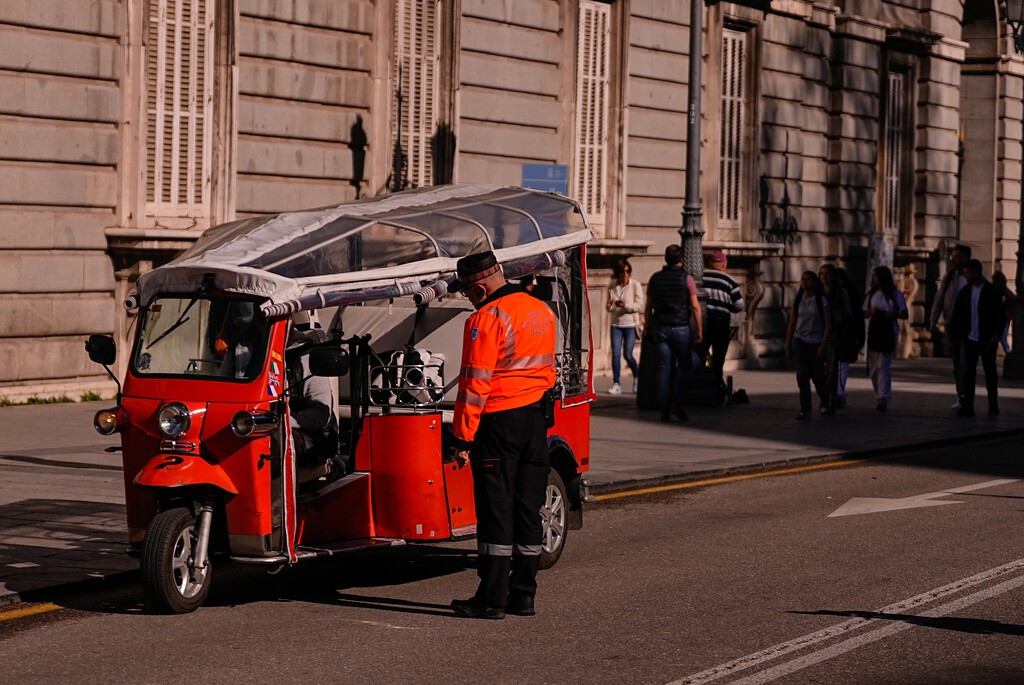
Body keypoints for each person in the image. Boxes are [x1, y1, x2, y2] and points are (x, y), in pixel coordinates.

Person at [449, 251, 556, 620]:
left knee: (496, 510)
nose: (467, 298)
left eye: (466, 291)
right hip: (536, 420)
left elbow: (474, 384)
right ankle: (523, 595)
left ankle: (491, 598)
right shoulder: (540, 310)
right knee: (527, 509)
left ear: (480, 288)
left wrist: (462, 438)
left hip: (498, 423)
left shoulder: (486, 318)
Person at [643, 244, 703, 422]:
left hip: (660, 327)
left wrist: (647, 326)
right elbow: (695, 306)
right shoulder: (687, 279)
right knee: (686, 365)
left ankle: (664, 408)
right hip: (680, 328)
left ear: (666, 259)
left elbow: (648, 307)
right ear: (681, 260)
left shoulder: (655, 278)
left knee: (663, 368)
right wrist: (699, 329)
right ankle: (678, 400)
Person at [286, 325, 340, 484]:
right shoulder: (244, 353)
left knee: (281, 442)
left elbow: (320, 414)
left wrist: (283, 423)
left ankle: (323, 467)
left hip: (315, 435)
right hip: (258, 426)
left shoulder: (307, 357)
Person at [949, 259, 1002, 417]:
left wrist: (997, 334)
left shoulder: (991, 291)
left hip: (987, 339)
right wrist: (955, 336)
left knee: (990, 373)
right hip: (969, 338)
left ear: (976, 272)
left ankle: (993, 404)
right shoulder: (965, 292)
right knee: (967, 373)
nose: (965, 275)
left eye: (967, 273)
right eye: (964, 273)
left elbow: (999, 315)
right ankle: (968, 406)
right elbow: (957, 315)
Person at [699, 250, 745, 398]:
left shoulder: (700, 276)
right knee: (719, 358)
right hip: (721, 323)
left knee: (701, 353)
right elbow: (740, 305)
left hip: (703, 322)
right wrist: (726, 306)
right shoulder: (730, 280)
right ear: (724, 265)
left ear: (710, 263)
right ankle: (717, 389)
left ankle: (702, 385)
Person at [930, 244, 971, 408]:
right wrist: (933, 321)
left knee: (966, 365)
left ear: (966, 258)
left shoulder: (972, 278)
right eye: (952, 256)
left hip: (969, 327)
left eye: (957, 257)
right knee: (957, 365)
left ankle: (966, 397)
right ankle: (961, 396)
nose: (953, 260)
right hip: (952, 326)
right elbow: (939, 300)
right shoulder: (949, 277)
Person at [862, 265, 908, 412]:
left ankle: (883, 397)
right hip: (875, 330)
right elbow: (864, 313)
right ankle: (878, 394)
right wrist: (871, 311)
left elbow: (904, 313)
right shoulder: (871, 295)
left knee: (883, 365)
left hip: (889, 330)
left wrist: (893, 314)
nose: (873, 278)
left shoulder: (895, 294)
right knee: (874, 367)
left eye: (875, 276)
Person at [786, 271, 831, 420]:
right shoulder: (798, 299)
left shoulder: (821, 300)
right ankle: (805, 408)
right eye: (803, 279)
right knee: (802, 376)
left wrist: (823, 344)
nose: (805, 282)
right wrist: (788, 344)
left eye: (808, 279)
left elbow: (828, 324)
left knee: (818, 376)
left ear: (814, 283)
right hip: (800, 341)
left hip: (816, 341)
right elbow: (792, 323)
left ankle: (825, 401)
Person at [606, 258, 644, 394]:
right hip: (616, 324)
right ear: (618, 273)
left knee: (628, 354)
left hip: (630, 324)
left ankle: (637, 376)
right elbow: (610, 307)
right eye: (622, 271)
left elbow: (639, 306)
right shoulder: (612, 286)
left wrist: (626, 306)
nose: (625, 274)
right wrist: (610, 306)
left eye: (627, 271)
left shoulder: (635, 285)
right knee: (616, 355)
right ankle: (616, 383)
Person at [817, 264, 850, 414]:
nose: (824, 277)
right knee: (817, 371)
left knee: (831, 371)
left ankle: (830, 399)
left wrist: (836, 318)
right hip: (815, 334)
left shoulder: (841, 293)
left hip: (832, 335)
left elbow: (848, 314)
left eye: (827, 274)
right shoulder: (817, 293)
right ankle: (827, 397)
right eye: (821, 274)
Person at [834, 267, 863, 408]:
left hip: (845, 331)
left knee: (842, 364)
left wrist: (860, 336)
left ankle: (839, 393)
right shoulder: (824, 293)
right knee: (834, 365)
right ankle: (835, 392)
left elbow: (857, 316)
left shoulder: (850, 294)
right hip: (832, 332)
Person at [991, 270, 1015, 355]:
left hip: (1003, 317)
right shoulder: (1005, 292)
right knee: (1001, 337)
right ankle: (1008, 352)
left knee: (1002, 336)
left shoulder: (1003, 292)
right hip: (1003, 317)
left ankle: (1008, 353)